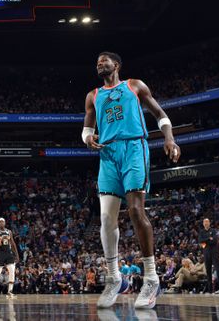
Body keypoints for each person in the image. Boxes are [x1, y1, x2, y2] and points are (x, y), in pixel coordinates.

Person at [83, 51, 181, 309]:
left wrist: (169, 138)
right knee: (105, 217)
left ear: (116, 64)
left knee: (136, 210)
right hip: (107, 153)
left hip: (134, 149)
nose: (99, 64)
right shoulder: (93, 96)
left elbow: (160, 114)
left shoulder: (134, 86)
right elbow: (86, 130)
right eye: (96, 62)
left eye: (103, 60)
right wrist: (88, 139)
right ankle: (114, 277)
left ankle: (150, 277)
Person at [199, 218, 219, 293]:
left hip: (214, 252)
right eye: (204, 222)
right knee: (208, 271)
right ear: (203, 223)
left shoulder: (213, 231)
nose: (206, 223)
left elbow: (214, 241)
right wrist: (209, 238)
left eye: (207, 222)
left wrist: (205, 241)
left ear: (209, 223)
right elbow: (200, 241)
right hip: (206, 253)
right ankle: (210, 290)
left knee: (218, 270)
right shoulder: (201, 232)